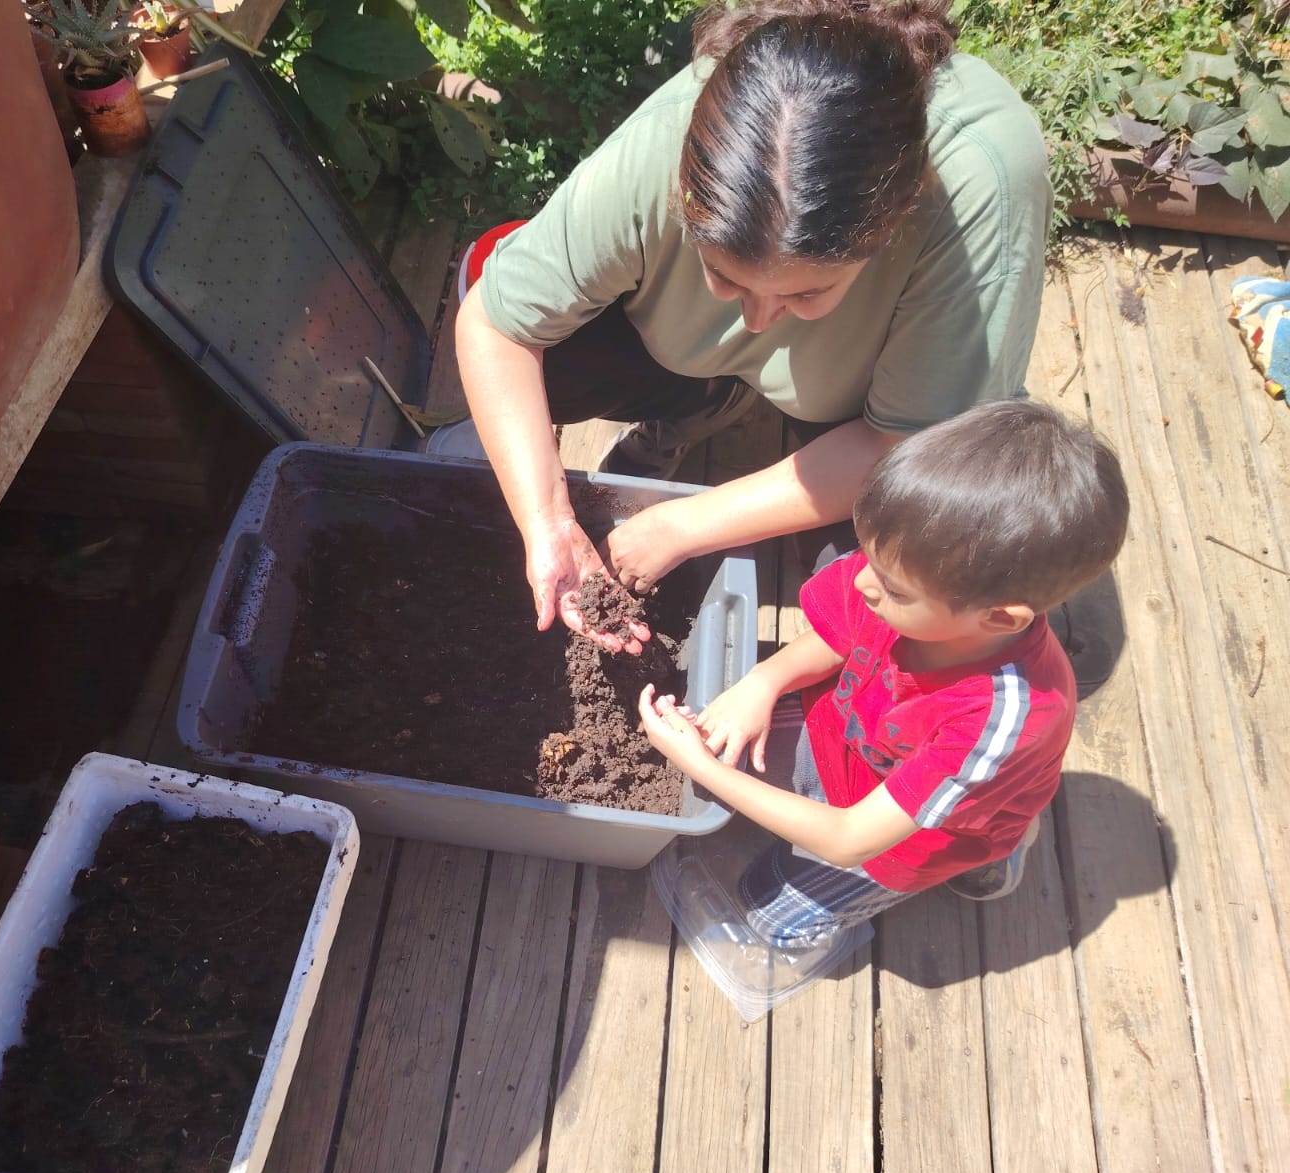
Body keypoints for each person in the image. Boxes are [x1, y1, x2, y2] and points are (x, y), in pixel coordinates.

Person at [455, 0, 1050, 654]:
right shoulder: (673, 143)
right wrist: (548, 524)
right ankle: (709, 400)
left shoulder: (980, 190)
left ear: (894, 221)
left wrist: (683, 526)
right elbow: (495, 323)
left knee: (903, 590)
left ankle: (750, 404)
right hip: (691, 353)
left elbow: (907, 450)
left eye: (807, 292)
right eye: (725, 276)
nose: (758, 320)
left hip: (867, 411)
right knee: (548, 359)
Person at [636, 401, 1128, 965]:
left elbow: (850, 839)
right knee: (721, 727)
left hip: (907, 843)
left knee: (767, 920)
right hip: (850, 736)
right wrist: (764, 680)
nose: (864, 583)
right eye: (868, 558)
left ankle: (998, 849)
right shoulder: (903, 572)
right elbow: (838, 634)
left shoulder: (1001, 720)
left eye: (893, 589)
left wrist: (705, 769)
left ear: (1000, 619)